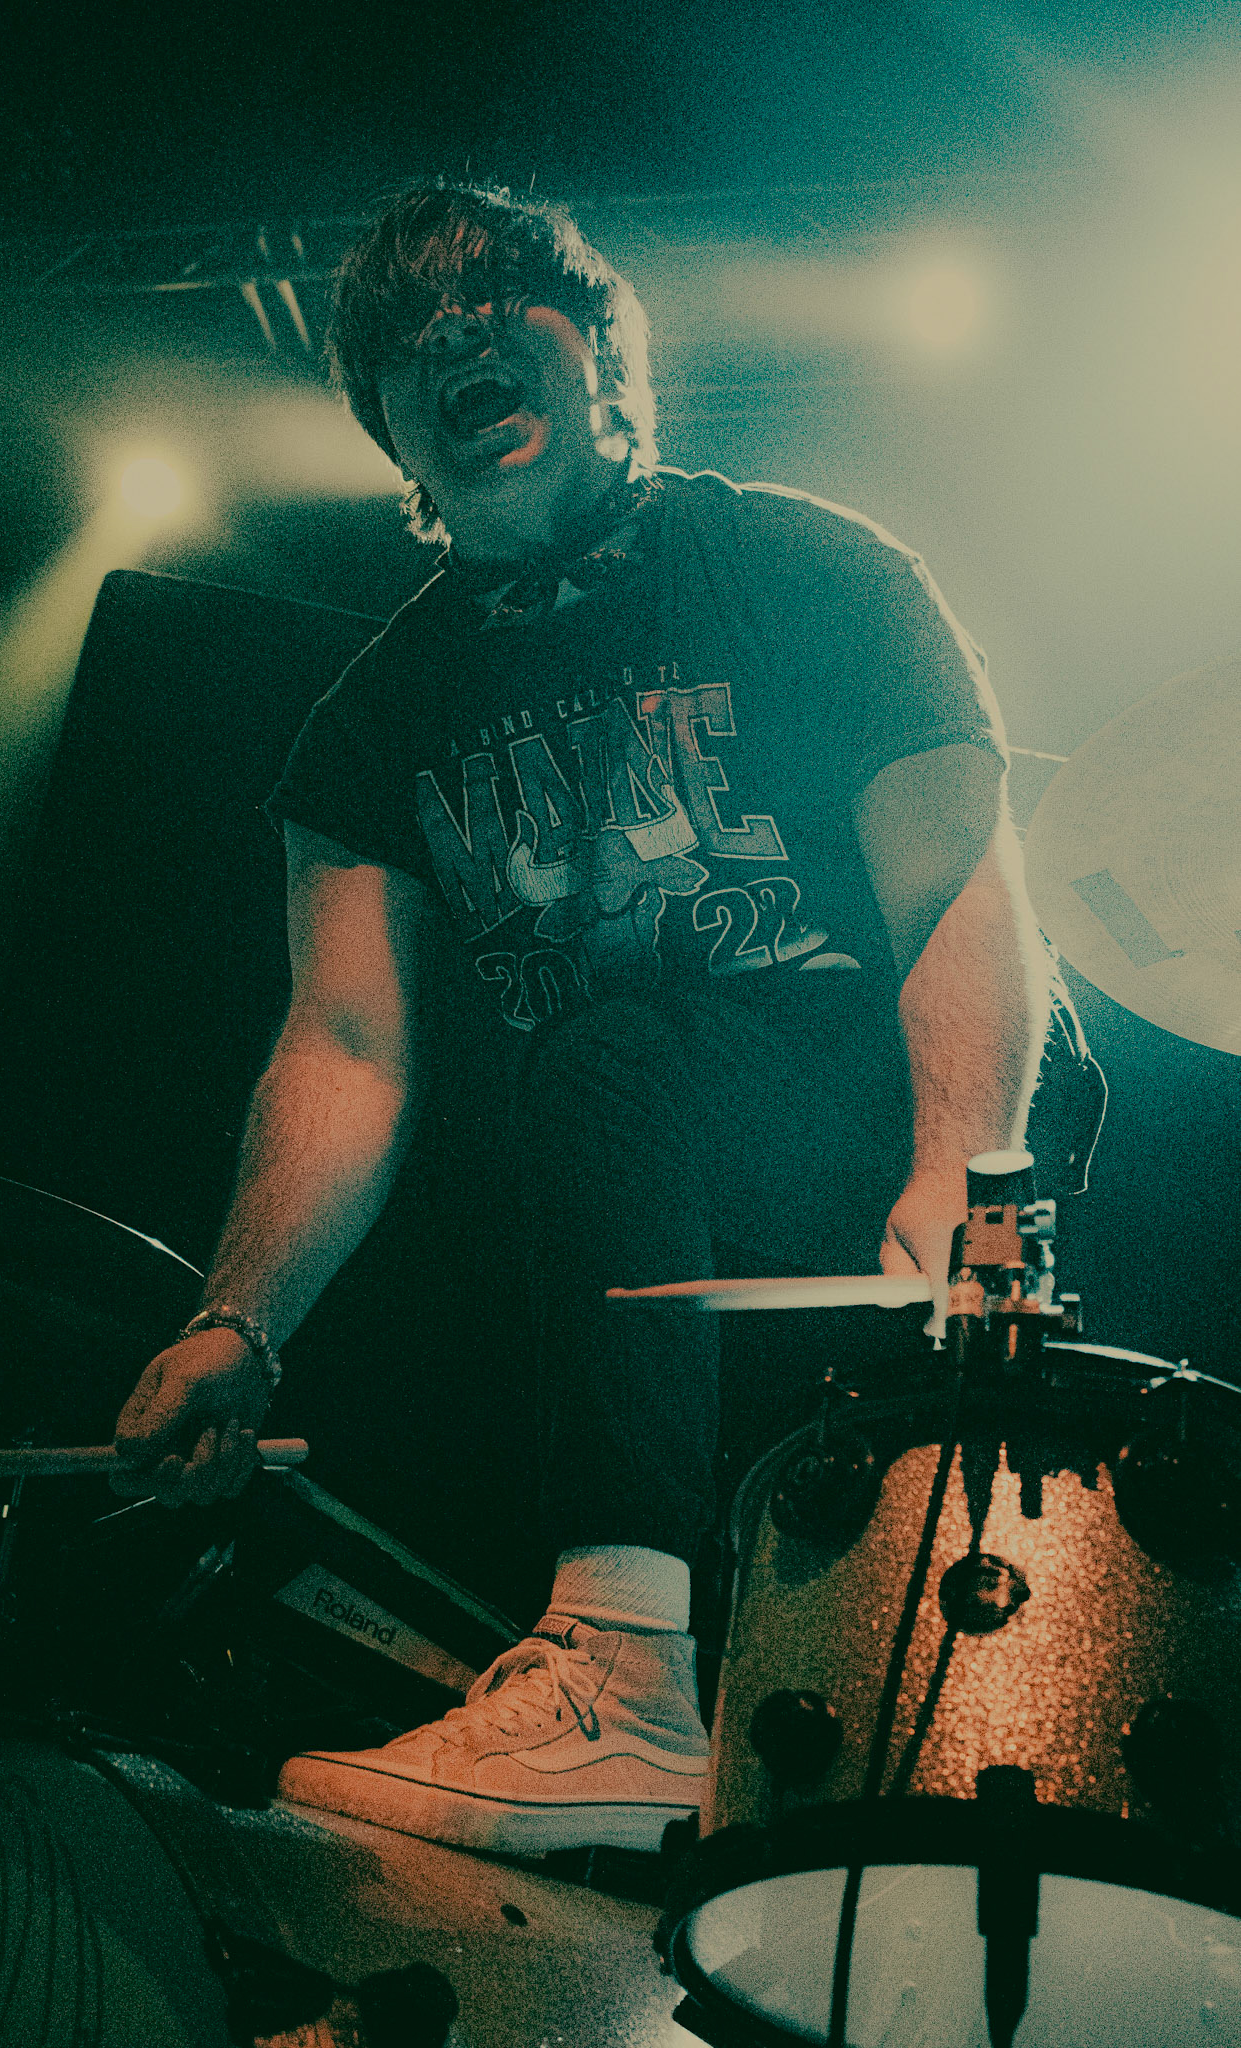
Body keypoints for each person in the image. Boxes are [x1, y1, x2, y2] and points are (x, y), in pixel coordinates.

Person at [112, 181, 1049, 1857]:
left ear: (606, 352)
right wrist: (238, 1324)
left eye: (497, 300)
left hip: (883, 1096)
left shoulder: (801, 567)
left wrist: (960, 1171)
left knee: (607, 1058)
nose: (451, 336)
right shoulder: (370, 726)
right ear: (390, 430)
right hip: (642, 1169)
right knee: (565, 1120)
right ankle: (602, 1705)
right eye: (406, 339)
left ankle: (621, 1683)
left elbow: (956, 896)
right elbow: (345, 1052)